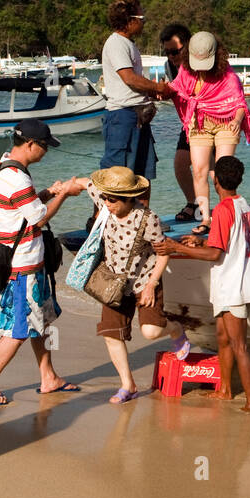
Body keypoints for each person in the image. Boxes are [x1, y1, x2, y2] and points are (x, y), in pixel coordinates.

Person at [58, 167, 191, 403]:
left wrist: (152, 284)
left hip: (143, 281)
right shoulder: (105, 200)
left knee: (151, 332)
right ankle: (128, 385)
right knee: (111, 334)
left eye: (112, 200)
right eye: (105, 198)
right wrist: (66, 187)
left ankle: (176, 330)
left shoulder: (148, 219)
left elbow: (163, 253)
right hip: (113, 283)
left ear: (128, 198)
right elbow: (86, 183)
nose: (106, 204)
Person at [0, 119, 79, 407]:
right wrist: (65, 194)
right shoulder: (17, 177)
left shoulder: (2, 166)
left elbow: (21, 207)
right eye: (44, 146)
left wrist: (47, 193)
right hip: (20, 268)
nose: (46, 152)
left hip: (26, 263)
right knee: (18, 330)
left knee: (39, 321)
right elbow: (39, 218)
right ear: (30, 144)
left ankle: (49, 378)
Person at [154, 156, 250, 412]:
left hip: (232, 285)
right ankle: (224, 390)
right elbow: (226, 243)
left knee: (239, 346)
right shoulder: (242, 204)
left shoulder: (223, 209)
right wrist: (199, 241)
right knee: (223, 338)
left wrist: (176, 246)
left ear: (215, 181)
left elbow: (215, 255)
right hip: (235, 281)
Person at [166, 31, 250, 235]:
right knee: (199, 170)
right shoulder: (186, 71)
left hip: (227, 121)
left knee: (223, 173)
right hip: (199, 122)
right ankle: (205, 218)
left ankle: (227, 217)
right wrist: (158, 90)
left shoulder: (228, 76)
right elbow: (175, 89)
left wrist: (238, 121)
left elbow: (239, 104)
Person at [100, 0, 164, 177]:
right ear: (129, 21)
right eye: (141, 19)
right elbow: (129, 78)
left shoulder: (128, 44)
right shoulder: (116, 43)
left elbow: (132, 83)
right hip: (123, 116)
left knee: (143, 174)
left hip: (138, 115)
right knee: (117, 177)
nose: (143, 23)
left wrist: (152, 92)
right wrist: (158, 88)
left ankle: (142, 207)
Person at [158, 23, 199, 222]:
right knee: (180, 164)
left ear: (187, 47)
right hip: (189, 123)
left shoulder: (200, 64)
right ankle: (194, 204)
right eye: (167, 53)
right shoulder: (169, 67)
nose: (171, 57)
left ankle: (228, 206)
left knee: (211, 170)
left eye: (175, 52)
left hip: (209, 122)